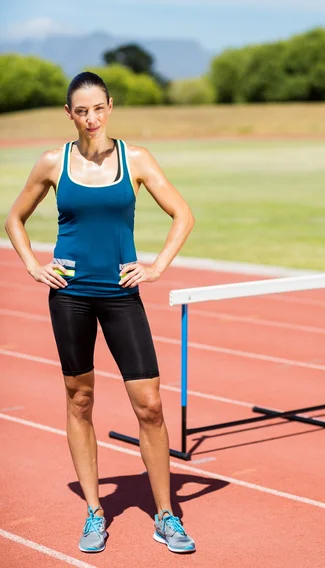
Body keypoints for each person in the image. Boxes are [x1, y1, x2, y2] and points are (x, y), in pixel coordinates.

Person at [5, 72, 196, 554]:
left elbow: (183, 214)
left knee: (150, 405)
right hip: (69, 295)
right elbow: (15, 218)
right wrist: (32, 265)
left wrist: (155, 267)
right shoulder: (53, 162)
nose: (91, 119)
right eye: (81, 111)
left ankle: (166, 515)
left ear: (110, 106)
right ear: (69, 115)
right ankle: (95, 510)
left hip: (120, 293)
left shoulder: (137, 159)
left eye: (98, 108)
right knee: (80, 399)